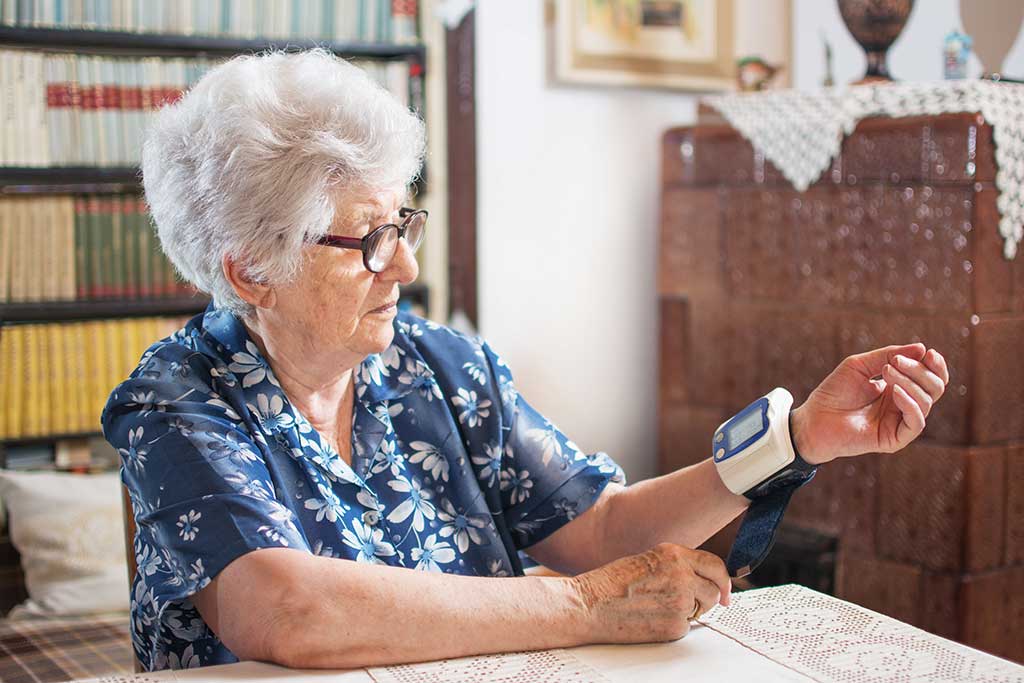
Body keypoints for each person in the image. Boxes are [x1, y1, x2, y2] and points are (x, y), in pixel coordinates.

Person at [102, 49, 950, 672]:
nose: (404, 266)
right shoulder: (174, 401)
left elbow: (604, 528)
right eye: (367, 240)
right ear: (252, 268)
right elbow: (285, 608)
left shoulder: (439, 366)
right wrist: (587, 604)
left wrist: (795, 439)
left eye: (404, 225)